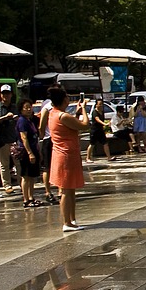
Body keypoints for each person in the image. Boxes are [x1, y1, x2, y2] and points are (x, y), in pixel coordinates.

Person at [46, 87, 88, 231]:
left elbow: (72, 125)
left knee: (70, 189)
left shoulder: (54, 113)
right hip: (66, 155)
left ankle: (72, 219)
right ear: (64, 99)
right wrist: (84, 109)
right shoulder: (62, 116)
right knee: (65, 190)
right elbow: (84, 125)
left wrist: (77, 113)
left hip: (63, 154)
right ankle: (67, 222)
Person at [14, 98, 50, 208]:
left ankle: (31, 197)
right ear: (21, 109)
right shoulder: (22, 121)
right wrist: (30, 153)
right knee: (26, 176)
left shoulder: (30, 120)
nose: (29, 109)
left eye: (30, 107)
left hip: (34, 149)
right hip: (25, 152)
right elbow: (24, 138)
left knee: (32, 176)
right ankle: (26, 199)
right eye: (26, 108)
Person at [0, 85, 18, 194]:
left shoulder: (15, 107)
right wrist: (5, 117)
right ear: (1, 95)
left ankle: (22, 183)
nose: (6, 95)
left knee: (18, 163)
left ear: (11, 94)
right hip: (2, 140)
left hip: (14, 139)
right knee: (4, 164)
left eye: (8, 93)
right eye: (4, 93)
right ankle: (7, 185)